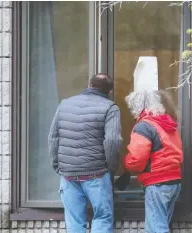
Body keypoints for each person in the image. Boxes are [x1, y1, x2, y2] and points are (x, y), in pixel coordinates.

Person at [48, 73, 122, 233]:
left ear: (89, 85)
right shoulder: (110, 107)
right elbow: (113, 142)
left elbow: (53, 138)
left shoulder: (64, 104)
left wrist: (58, 166)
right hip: (96, 174)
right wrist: (110, 168)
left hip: (68, 175)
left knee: (74, 221)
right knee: (102, 217)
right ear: (109, 92)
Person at [122, 90, 183, 233]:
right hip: (174, 180)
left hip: (157, 183)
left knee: (156, 228)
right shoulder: (165, 124)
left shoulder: (144, 126)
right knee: (159, 226)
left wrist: (125, 162)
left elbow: (136, 159)